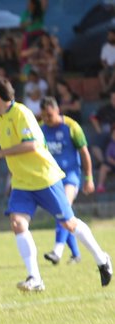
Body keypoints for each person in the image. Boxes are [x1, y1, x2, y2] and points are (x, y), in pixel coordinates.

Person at [0, 75, 112, 291]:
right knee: (17, 223)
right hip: (22, 183)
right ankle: (35, 278)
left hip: (44, 178)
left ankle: (102, 258)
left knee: (69, 223)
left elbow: (31, 145)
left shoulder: (22, 113)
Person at [39, 97, 95, 266]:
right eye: (43, 116)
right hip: (52, 178)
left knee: (64, 209)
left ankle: (57, 250)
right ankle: (76, 254)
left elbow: (84, 153)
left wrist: (89, 178)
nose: (47, 119)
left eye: (49, 115)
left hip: (71, 176)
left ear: (57, 111)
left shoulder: (72, 127)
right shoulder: (41, 129)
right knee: (64, 214)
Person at [99, 28, 115, 94]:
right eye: (108, 35)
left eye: (111, 35)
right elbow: (102, 60)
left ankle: (106, 90)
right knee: (101, 73)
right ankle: (106, 89)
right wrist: (105, 66)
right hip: (108, 67)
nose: (109, 37)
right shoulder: (105, 47)